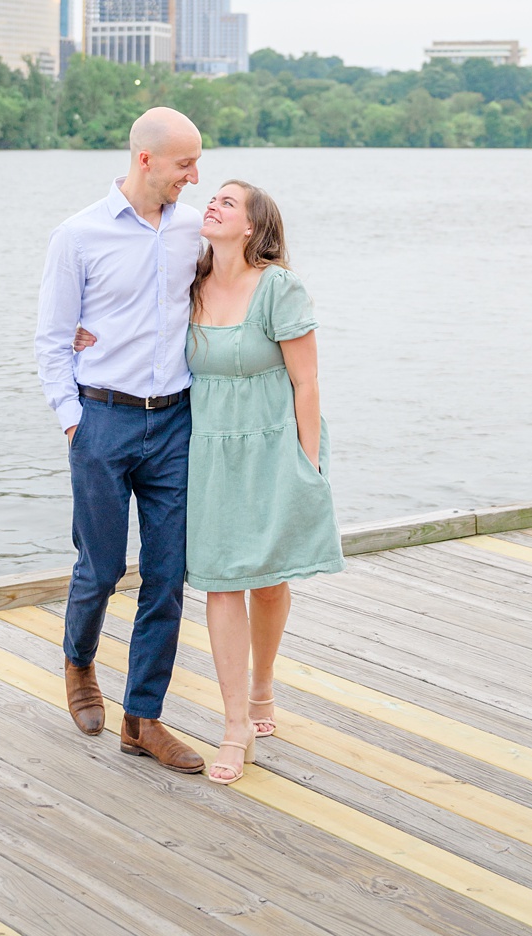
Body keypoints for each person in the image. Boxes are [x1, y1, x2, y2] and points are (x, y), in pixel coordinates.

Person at [33, 107, 206, 774]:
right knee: (101, 569)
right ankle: (78, 663)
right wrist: (74, 421)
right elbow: (52, 340)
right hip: (102, 419)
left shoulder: (196, 230)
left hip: (176, 423)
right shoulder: (78, 236)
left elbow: (245, 277)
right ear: (147, 161)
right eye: (185, 164)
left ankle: (143, 718)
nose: (195, 176)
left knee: (167, 577)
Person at [176, 178, 343, 784]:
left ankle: (263, 686)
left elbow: (308, 383)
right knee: (221, 582)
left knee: (268, 582)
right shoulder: (188, 285)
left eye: (228, 202)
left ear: (251, 227)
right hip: (211, 454)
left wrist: (307, 466)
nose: (213, 205)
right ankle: (233, 726)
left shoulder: (279, 288)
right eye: (211, 198)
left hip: (275, 446)